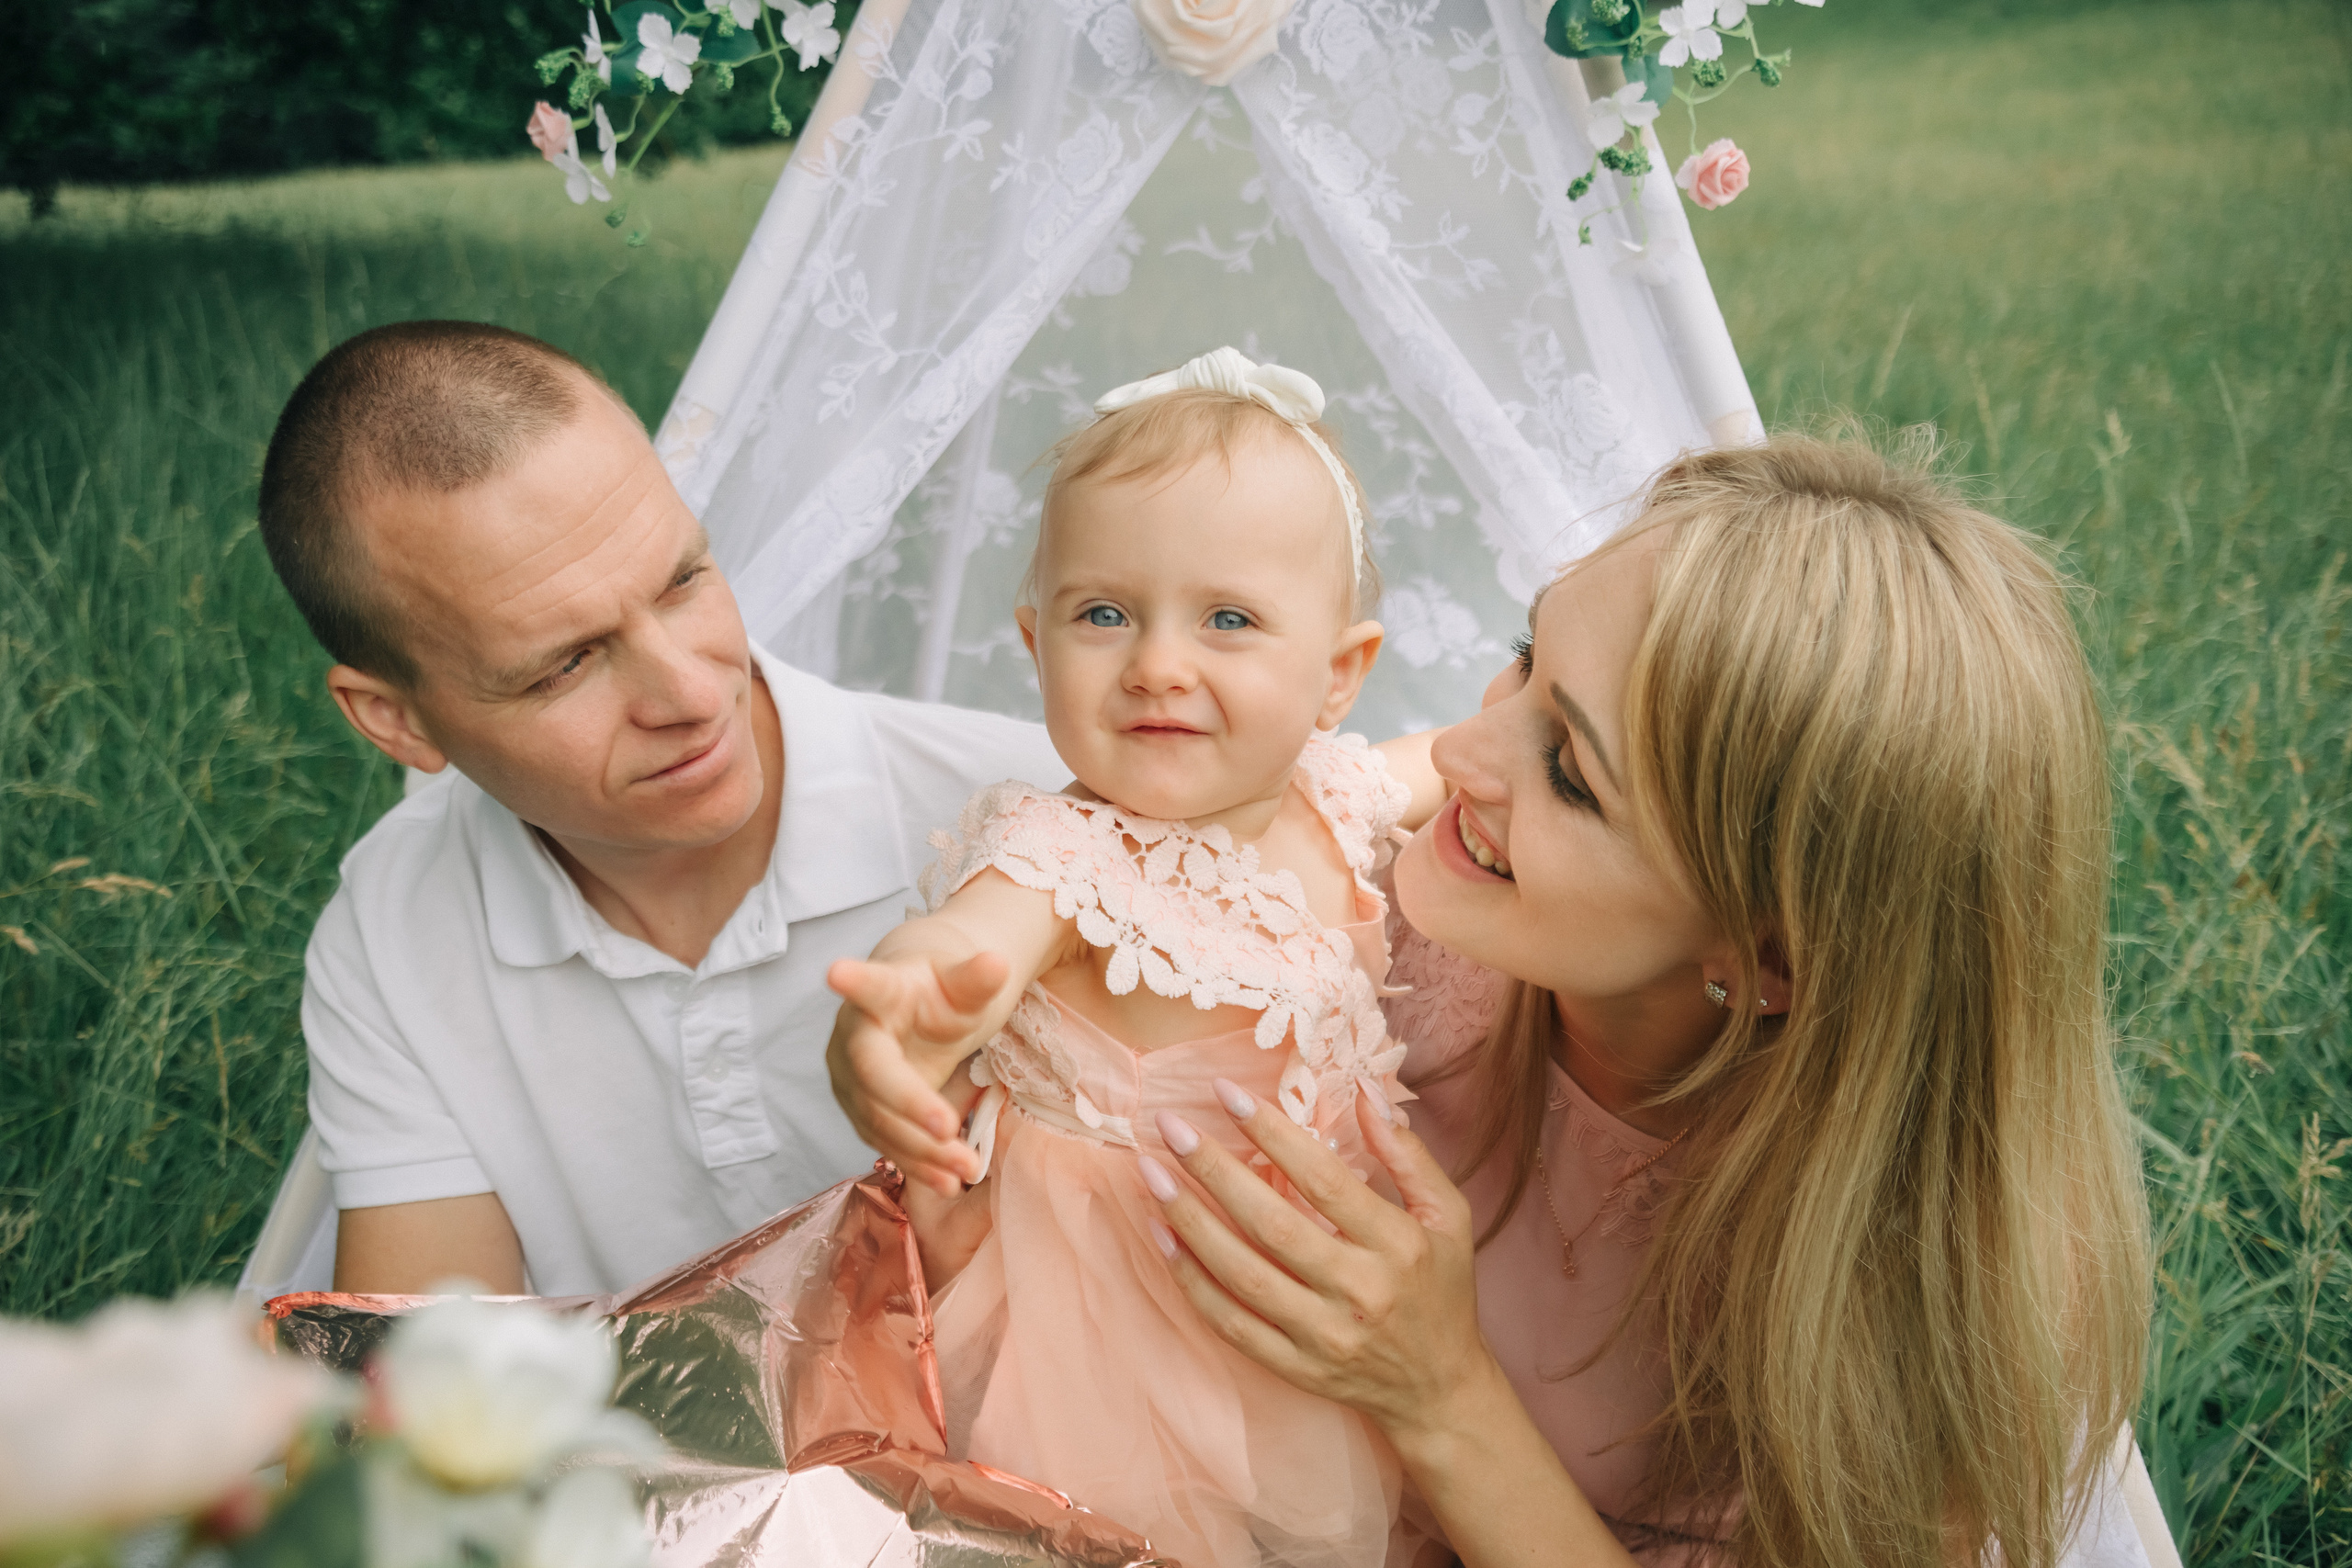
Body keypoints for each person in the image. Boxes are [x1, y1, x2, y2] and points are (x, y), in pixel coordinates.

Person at [851, 435, 2163, 1567]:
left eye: (1573, 773)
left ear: (1771, 959)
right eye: (1525, 654)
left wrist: (1441, 1392)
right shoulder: (1392, 936)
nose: (1464, 753)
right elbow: (1101, 871)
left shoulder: (1935, 1263)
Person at [255, 320, 1064, 1299]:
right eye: (567, 664)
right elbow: (426, 1383)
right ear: (395, 720)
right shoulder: (393, 924)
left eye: (682, 580)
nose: (687, 693)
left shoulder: (1028, 812)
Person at [824, 348, 1449, 1568]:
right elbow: (974, 944)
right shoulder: (1061, 847)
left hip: (1312, 1314)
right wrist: (905, 1006)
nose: (1159, 661)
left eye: (1228, 619)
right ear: (1034, 637)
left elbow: (1468, 757)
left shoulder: (1338, 797)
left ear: (1338, 674)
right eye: (1104, 613)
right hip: (1116, 1339)